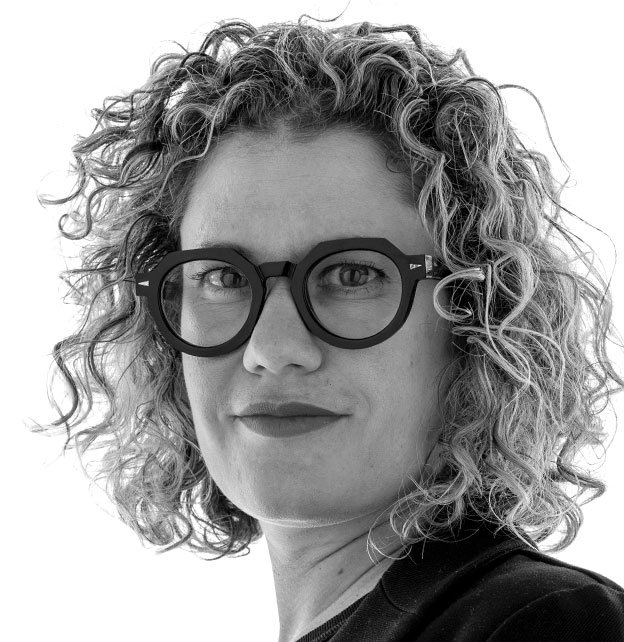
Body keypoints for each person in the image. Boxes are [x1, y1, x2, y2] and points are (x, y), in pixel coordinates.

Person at [36, 14, 624, 642]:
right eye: (224, 277)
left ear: (475, 318)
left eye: (351, 275)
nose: (272, 349)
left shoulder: (542, 624)